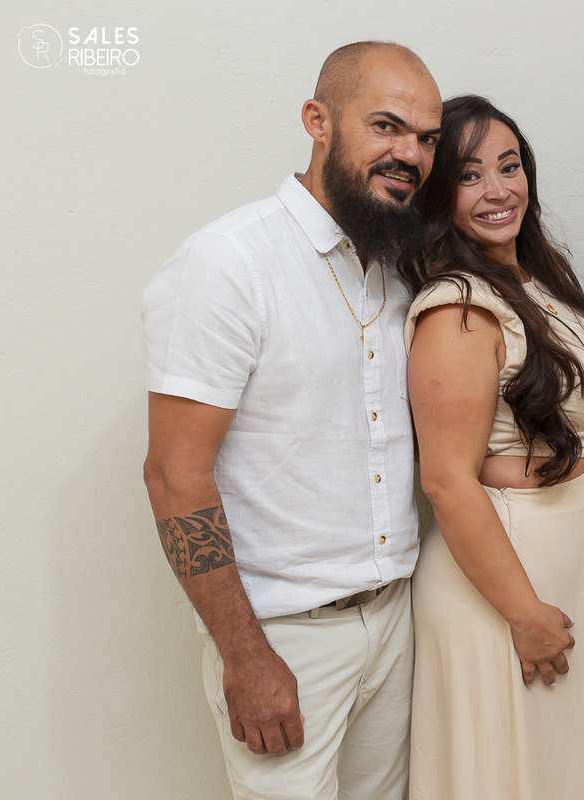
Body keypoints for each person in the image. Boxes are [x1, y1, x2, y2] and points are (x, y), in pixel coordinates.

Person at [141, 42, 441, 799]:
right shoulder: (229, 262)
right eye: (386, 126)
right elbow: (174, 476)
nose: (410, 154)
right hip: (283, 636)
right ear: (318, 120)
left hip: (395, 619)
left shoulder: (395, 270)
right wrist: (244, 655)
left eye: (427, 138)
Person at [402, 95, 584, 800]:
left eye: (508, 167)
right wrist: (523, 612)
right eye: (469, 175)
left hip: (578, 565)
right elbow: (446, 479)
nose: (497, 190)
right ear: (437, 195)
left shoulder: (539, 283)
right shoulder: (458, 308)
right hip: (511, 583)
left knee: (574, 771)